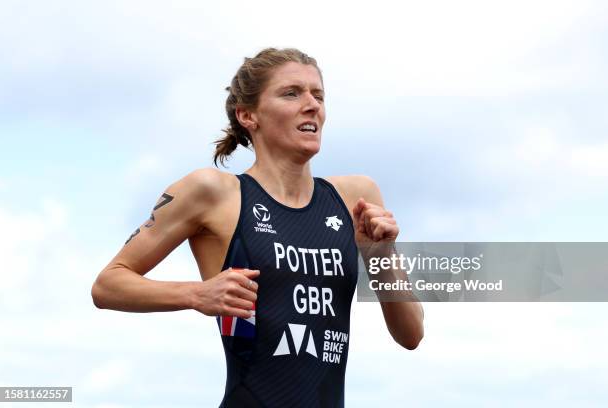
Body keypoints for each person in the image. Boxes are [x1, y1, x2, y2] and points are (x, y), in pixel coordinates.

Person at [91, 47, 424, 407]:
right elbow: (108, 285)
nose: (312, 104)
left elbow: (411, 333)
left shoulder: (356, 197)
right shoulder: (213, 192)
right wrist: (195, 294)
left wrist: (381, 254)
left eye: (319, 95)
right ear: (248, 115)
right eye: (291, 93)